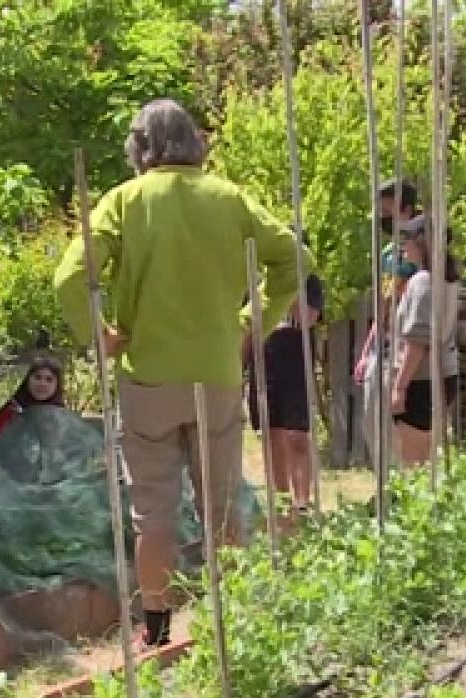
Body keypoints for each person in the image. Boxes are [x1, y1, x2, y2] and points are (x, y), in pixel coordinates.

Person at [54, 98, 313, 648]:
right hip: (216, 371)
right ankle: (233, 623)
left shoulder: (124, 202)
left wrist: (97, 334)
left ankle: (156, 629)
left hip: (146, 374)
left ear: (139, 147)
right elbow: (296, 260)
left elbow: (70, 277)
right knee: (222, 503)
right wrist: (253, 321)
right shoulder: (229, 199)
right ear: (193, 141)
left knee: (154, 511)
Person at [244, 272, 324, 520]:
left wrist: (283, 291)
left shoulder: (307, 278)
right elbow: (246, 325)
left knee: (297, 436)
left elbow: (309, 317)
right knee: (272, 434)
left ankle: (301, 504)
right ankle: (280, 503)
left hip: (296, 359)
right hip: (265, 358)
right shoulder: (256, 280)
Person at [389, 215, 461, 467]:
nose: (403, 245)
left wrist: (400, 387)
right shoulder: (447, 278)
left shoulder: (422, 281)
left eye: (407, 238)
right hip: (443, 372)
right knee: (427, 458)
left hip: (420, 378)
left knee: (414, 463)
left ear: (422, 243)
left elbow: (418, 341)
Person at [353, 178, 423, 390]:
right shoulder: (389, 253)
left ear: (407, 210)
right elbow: (384, 305)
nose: (383, 216)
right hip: (388, 345)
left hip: (413, 341)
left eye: (387, 209)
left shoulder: (422, 250)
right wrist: (366, 353)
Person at [0, 355, 66, 443]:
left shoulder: (62, 416)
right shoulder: (12, 411)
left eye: (49, 379)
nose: (42, 384)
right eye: (37, 377)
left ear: (57, 385)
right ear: (28, 380)